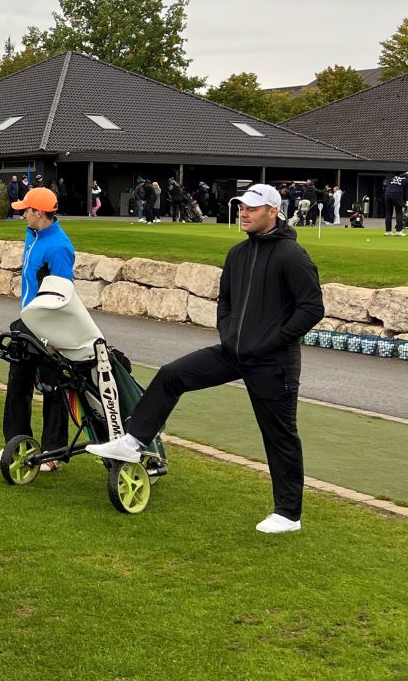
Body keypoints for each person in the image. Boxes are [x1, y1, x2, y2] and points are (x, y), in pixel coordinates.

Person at [87, 184, 323, 534]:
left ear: (273, 212)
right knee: (172, 375)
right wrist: (228, 334)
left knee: (279, 435)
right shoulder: (238, 253)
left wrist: (271, 341)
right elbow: (225, 301)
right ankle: (134, 441)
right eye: (241, 207)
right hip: (233, 352)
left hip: (274, 363)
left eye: (252, 209)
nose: (244, 213)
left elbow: (312, 308)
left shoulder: (292, 255)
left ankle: (288, 515)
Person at [0, 187, 74, 472]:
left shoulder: (59, 247)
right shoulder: (31, 234)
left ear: (40, 212)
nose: (23, 213)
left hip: (49, 328)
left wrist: (53, 337)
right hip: (27, 322)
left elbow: (62, 293)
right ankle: (17, 443)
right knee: (17, 385)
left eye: (27, 210)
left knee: (52, 388)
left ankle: (53, 452)